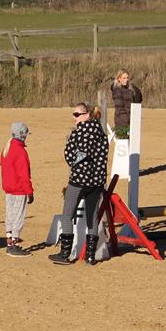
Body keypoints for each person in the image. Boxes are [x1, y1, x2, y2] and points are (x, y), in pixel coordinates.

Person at [49, 104, 109, 266]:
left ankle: (65, 254)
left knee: (67, 214)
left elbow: (73, 156)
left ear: (86, 114)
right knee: (92, 217)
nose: (74, 117)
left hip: (80, 179)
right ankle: (90, 256)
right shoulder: (101, 131)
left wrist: (70, 150)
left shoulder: (80, 132)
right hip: (97, 181)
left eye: (77, 114)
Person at [0, 121, 34, 257]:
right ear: (23, 135)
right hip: (19, 190)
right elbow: (24, 175)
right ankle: (14, 244)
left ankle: (9, 241)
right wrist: (30, 192)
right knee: (18, 217)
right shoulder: (20, 151)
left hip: (8, 189)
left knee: (10, 215)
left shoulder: (6, 149)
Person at [110, 69, 143, 139]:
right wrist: (127, 120)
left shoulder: (130, 90)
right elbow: (119, 108)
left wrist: (136, 90)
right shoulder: (117, 90)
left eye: (127, 78)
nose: (126, 80)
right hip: (122, 122)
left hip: (132, 120)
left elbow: (138, 101)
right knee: (123, 144)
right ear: (119, 79)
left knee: (132, 144)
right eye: (124, 78)